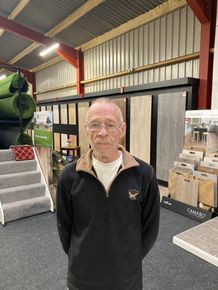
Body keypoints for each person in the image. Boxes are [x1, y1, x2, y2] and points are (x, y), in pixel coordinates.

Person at [56, 98, 160, 290]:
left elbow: (150, 229)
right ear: (86, 129)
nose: (102, 132)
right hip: (82, 280)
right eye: (95, 125)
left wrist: (129, 259)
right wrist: (80, 255)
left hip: (127, 280)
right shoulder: (69, 177)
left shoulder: (144, 174)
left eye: (110, 125)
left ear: (122, 130)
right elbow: (65, 229)